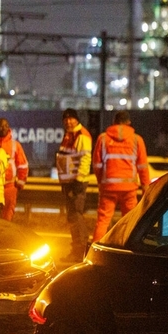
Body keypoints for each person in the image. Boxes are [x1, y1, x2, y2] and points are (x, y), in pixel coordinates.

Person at [92, 110, 150, 242]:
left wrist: (101, 182)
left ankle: (95, 248)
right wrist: (145, 189)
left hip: (108, 187)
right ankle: (129, 248)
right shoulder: (137, 139)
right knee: (130, 221)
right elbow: (142, 167)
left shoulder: (103, 139)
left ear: (114, 122)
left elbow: (97, 165)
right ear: (128, 123)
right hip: (129, 188)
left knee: (103, 221)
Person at [57, 108, 93, 261]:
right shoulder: (69, 135)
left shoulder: (81, 135)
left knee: (75, 216)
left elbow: (85, 159)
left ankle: (80, 251)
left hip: (76, 182)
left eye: (71, 118)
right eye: (65, 119)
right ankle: (78, 250)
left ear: (77, 119)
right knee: (72, 216)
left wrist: (78, 180)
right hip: (68, 182)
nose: (68, 122)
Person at [0, 118, 29, 221]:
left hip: (9, 186)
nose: (3, 128)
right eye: (0, 126)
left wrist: (21, 182)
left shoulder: (15, 145)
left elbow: (23, 165)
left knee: (7, 216)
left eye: (6, 126)